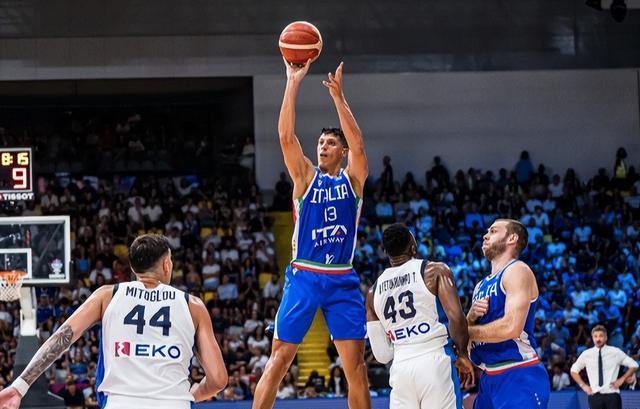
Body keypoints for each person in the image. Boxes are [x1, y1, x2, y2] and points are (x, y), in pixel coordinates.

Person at [252, 57, 370, 409]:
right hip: (304, 274)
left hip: (342, 278)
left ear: (342, 152)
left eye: (330, 143)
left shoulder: (353, 181)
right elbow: (285, 137)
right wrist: (292, 82)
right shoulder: (305, 177)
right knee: (280, 358)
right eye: (320, 142)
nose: (322, 147)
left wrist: (338, 98)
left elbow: (359, 146)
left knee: (357, 369)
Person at [0, 234, 227, 409]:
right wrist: (191, 395)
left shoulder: (108, 295)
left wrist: (20, 386)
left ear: (133, 268)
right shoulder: (192, 305)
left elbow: (62, 338)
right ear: (167, 264)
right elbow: (218, 379)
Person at [366, 223, 474, 408]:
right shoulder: (434, 271)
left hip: (400, 369)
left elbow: (382, 355)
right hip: (434, 359)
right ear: (413, 247)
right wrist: (463, 354)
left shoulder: (372, 292)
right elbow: (456, 317)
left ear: (385, 252)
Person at [467, 219, 550, 408]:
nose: (485, 236)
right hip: (488, 377)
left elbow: (511, 327)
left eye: (493, 231)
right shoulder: (480, 286)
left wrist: (465, 330)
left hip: (518, 373)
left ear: (512, 238)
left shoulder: (517, 270)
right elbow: (468, 339)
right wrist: (469, 318)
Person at [570, 325, 638, 409]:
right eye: (595, 336)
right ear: (592, 338)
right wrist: (583, 386)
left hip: (612, 395)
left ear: (606, 338)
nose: (598, 339)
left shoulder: (615, 352)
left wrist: (622, 379)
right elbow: (573, 370)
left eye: (601, 336)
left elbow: (634, 365)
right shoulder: (586, 354)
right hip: (594, 396)